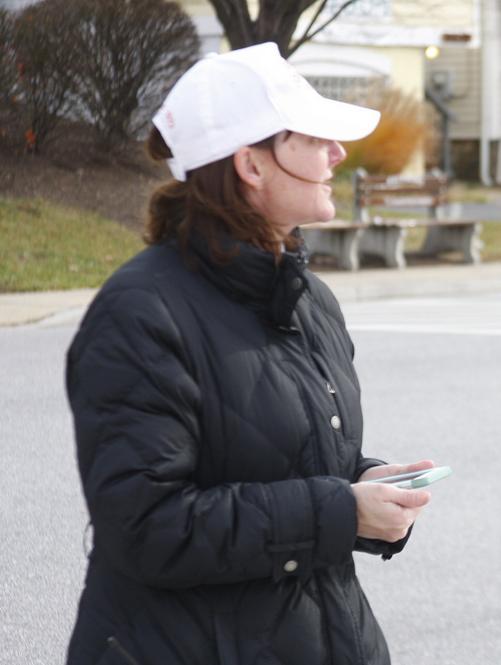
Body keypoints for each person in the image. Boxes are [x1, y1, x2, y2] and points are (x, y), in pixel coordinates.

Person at [65, 43, 434, 665]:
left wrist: (365, 485)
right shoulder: (139, 313)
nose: (337, 155)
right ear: (251, 165)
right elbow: (149, 527)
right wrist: (339, 510)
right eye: (313, 137)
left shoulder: (308, 296)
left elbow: (283, 462)